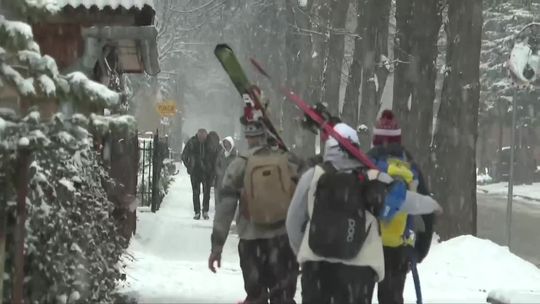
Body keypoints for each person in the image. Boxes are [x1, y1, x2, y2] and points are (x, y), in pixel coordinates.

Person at [286, 122, 441, 304]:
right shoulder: (373, 179)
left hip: (317, 269)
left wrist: (305, 252)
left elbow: (293, 223)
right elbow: (406, 201)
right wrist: (432, 204)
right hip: (359, 271)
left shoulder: (312, 176)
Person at [209, 121, 302, 304]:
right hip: (282, 240)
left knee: (256, 296)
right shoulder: (288, 162)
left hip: (251, 241)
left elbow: (225, 209)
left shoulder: (240, 164)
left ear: (248, 138)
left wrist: (217, 246)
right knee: (283, 297)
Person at [368, 109, 437, 304]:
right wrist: (419, 250)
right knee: (391, 299)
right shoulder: (410, 167)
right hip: (399, 248)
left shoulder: (366, 163)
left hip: (369, 245)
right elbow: (426, 212)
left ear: (375, 137)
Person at [182, 128, 212, 220]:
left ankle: (205, 211)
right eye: (200, 136)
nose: (202, 138)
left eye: (204, 136)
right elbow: (184, 155)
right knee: (196, 192)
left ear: (206, 136)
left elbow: (215, 156)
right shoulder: (192, 142)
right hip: (195, 171)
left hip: (207, 172)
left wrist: (212, 167)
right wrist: (189, 166)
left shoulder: (209, 144)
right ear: (197, 135)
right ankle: (197, 212)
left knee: (206, 192)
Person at [214, 136, 238, 206]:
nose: (226, 145)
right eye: (225, 143)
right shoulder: (221, 153)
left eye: (228, 143)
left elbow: (239, 166)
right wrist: (219, 172)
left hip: (231, 179)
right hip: (221, 179)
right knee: (219, 196)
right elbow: (217, 164)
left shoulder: (236, 154)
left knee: (231, 198)